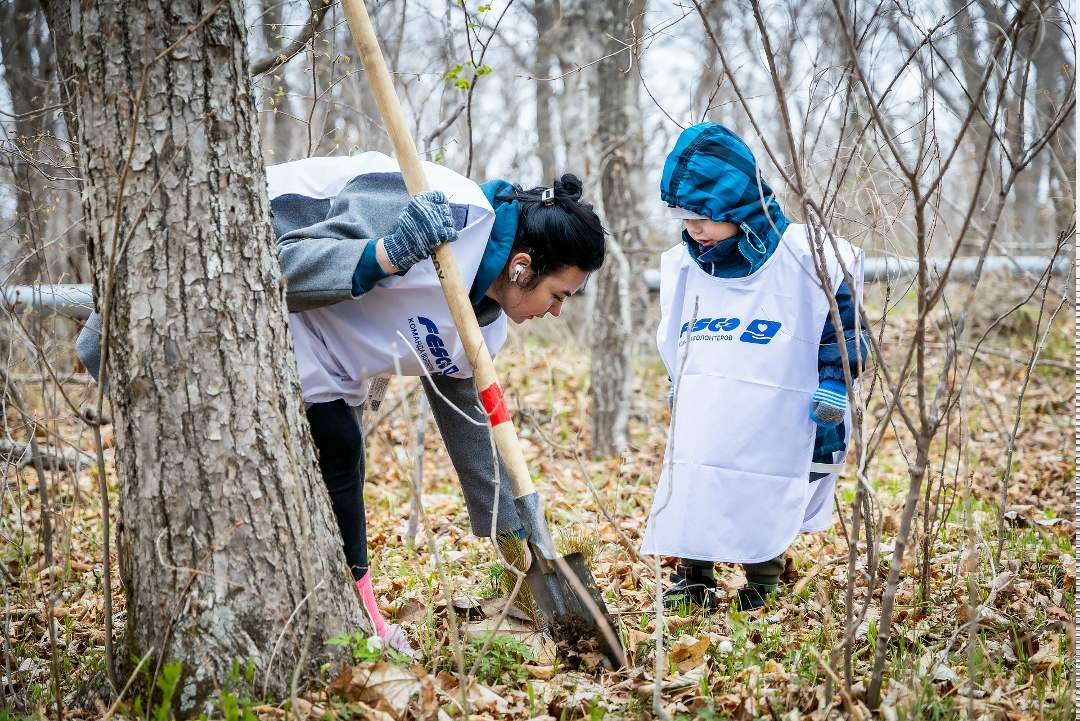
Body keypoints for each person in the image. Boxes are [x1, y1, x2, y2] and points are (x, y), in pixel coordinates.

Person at [77, 152, 606, 654]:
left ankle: (356, 619)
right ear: (521, 266)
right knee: (328, 442)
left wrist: (518, 545)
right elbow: (274, 265)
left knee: (339, 458)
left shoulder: (484, 332)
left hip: (323, 340)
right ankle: (351, 622)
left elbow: (475, 439)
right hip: (229, 248)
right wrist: (386, 253)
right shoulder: (443, 208)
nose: (557, 311)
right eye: (558, 294)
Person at [640, 122, 867, 613]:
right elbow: (678, 330)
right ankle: (694, 577)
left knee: (763, 483)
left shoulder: (808, 257)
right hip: (709, 408)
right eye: (684, 217)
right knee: (696, 479)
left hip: (779, 406)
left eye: (703, 217)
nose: (693, 229)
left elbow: (842, 326)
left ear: (737, 208)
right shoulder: (687, 264)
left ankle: (763, 580)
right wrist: (680, 380)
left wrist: (835, 381)